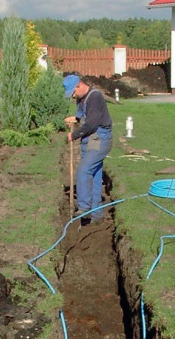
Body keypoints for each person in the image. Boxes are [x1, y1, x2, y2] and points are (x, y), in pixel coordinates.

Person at [63, 74, 112, 226]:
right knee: (95, 176)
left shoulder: (95, 97)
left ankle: (84, 208)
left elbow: (91, 124)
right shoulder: (81, 98)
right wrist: (75, 119)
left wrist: (74, 135)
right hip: (90, 138)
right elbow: (83, 114)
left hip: (99, 138)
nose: (72, 96)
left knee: (84, 170)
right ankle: (97, 216)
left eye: (73, 92)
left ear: (79, 85)